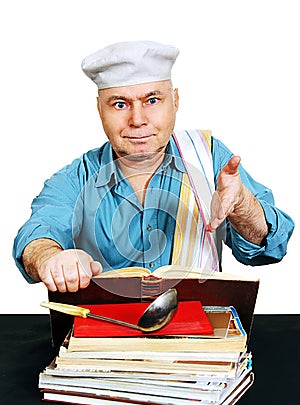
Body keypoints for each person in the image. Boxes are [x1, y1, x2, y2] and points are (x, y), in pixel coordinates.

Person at [13, 40, 294, 293]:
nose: (138, 120)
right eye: (120, 104)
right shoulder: (77, 177)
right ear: (100, 110)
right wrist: (52, 258)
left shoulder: (207, 157)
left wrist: (242, 204)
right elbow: (37, 233)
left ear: (175, 101)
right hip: (106, 335)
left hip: (194, 333)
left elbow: (271, 247)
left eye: (152, 100)